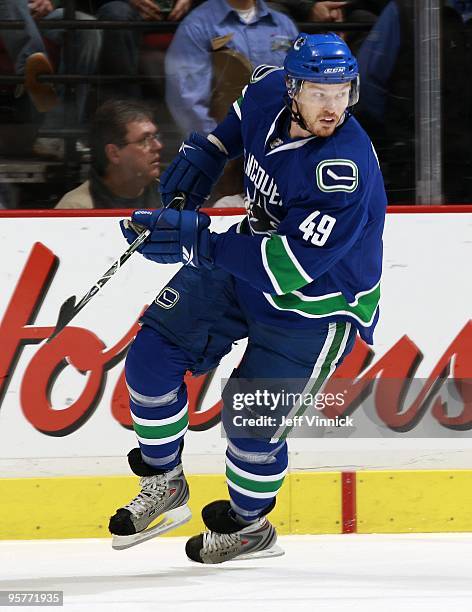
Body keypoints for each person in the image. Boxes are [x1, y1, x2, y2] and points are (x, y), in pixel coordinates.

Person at [110, 33, 387, 563]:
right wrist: (204, 158)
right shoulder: (263, 92)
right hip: (243, 260)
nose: (333, 107)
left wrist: (197, 240)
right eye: (319, 93)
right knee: (151, 358)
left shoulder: (343, 171)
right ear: (292, 88)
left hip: (317, 304)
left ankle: (248, 524)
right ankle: (165, 483)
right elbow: (230, 134)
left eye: (342, 93)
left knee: (249, 423)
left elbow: (289, 268)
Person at [164, 0, 298, 136]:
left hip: (282, 137)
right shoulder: (197, 25)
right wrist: (218, 144)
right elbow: (187, 101)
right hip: (228, 138)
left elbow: (301, 84)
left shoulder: (283, 24)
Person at [0, 0, 101, 154]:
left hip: (39, 15)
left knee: (86, 26)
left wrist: (49, 2)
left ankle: (55, 133)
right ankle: (34, 69)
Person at [56, 99, 163, 209]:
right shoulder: (75, 209)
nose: (158, 146)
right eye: (143, 140)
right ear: (114, 153)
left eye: (155, 137)